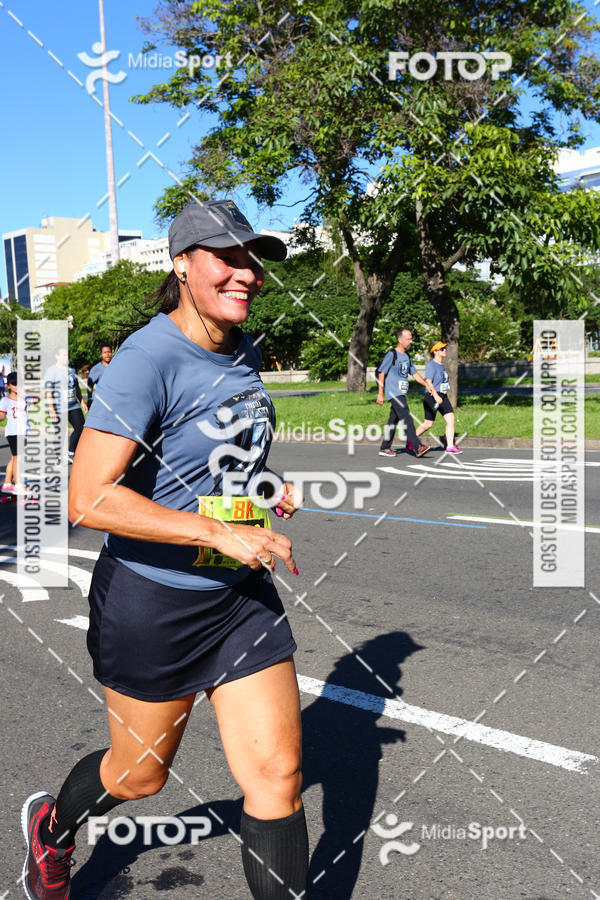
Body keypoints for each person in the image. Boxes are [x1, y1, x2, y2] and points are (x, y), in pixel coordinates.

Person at [21, 199, 309, 900]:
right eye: (226, 257)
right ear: (182, 265)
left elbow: (208, 459)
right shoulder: (146, 359)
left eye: (252, 260)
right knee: (138, 776)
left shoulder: (241, 348)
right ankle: (53, 830)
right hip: (154, 602)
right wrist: (216, 531)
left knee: (277, 778)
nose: (246, 273)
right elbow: (87, 498)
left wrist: (262, 486)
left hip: (238, 598)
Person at [376, 327, 430, 458]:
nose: (410, 341)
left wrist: (427, 385)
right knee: (407, 417)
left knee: (393, 420)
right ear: (400, 340)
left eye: (411, 339)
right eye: (408, 339)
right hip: (393, 392)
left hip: (402, 393)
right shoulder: (391, 355)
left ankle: (384, 447)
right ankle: (417, 446)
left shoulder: (407, 356)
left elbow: (415, 374)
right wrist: (380, 393)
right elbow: (381, 373)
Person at [415, 341, 462, 453]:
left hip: (443, 396)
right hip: (432, 397)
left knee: (450, 419)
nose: (444, 350)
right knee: (428, 424)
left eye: (444, 348)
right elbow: (428, 382)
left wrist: (441, 396)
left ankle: (450, 446)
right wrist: (436, 396)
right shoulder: (431, 365)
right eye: (441, 349)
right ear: (435, 351)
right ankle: (411, 440)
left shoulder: (441, 365)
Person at [44, 347, 88, 461]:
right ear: (57, 356)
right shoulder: (51, 371)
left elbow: (76, 386)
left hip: (73, 405)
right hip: (58, 407)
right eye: (63, 355)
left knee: (81, 428)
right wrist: (51, 409)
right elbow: (48, 391)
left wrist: (82, 401)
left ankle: (70, 452)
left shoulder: (71, 368)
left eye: (67, 355)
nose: (66, 357)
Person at [0, 372, 28, 494]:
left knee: (14, 458)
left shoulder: (25, 398)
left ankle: (7, 483)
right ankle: (18, 485)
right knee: (19, 457)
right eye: (14, 384)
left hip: (24, 431)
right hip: (13, 432)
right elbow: (2, 416)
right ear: (8, 386)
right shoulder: (5, 400)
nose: (17, 386)